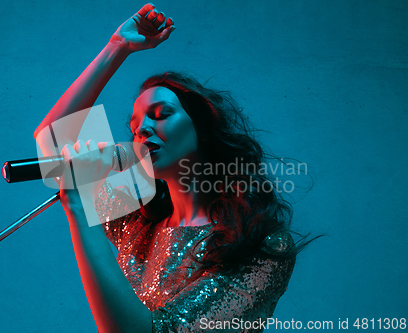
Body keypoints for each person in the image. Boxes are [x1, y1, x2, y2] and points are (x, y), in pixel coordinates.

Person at [34, 4, 306, 332]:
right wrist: (117, 48)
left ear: (203, 130)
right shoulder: (138, 222)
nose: (142, 131)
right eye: (134, 127)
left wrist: (78, 204)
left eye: (160, 115)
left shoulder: (259, 243)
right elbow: (52, 141)